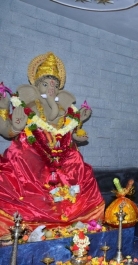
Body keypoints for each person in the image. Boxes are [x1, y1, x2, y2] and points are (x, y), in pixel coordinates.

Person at [0, 52, 104, 237]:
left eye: (54, 85)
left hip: (63, 160)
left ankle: (80, 224)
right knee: (19, 170)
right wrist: (4, 110)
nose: (50, 89)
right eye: (45, 84)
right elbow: (9, 131)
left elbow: (70, 136)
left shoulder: (65, 111)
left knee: (81, 170)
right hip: (32, 160)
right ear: (35, 86)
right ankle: (25, 229)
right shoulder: (28, 106)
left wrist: (78, 124)